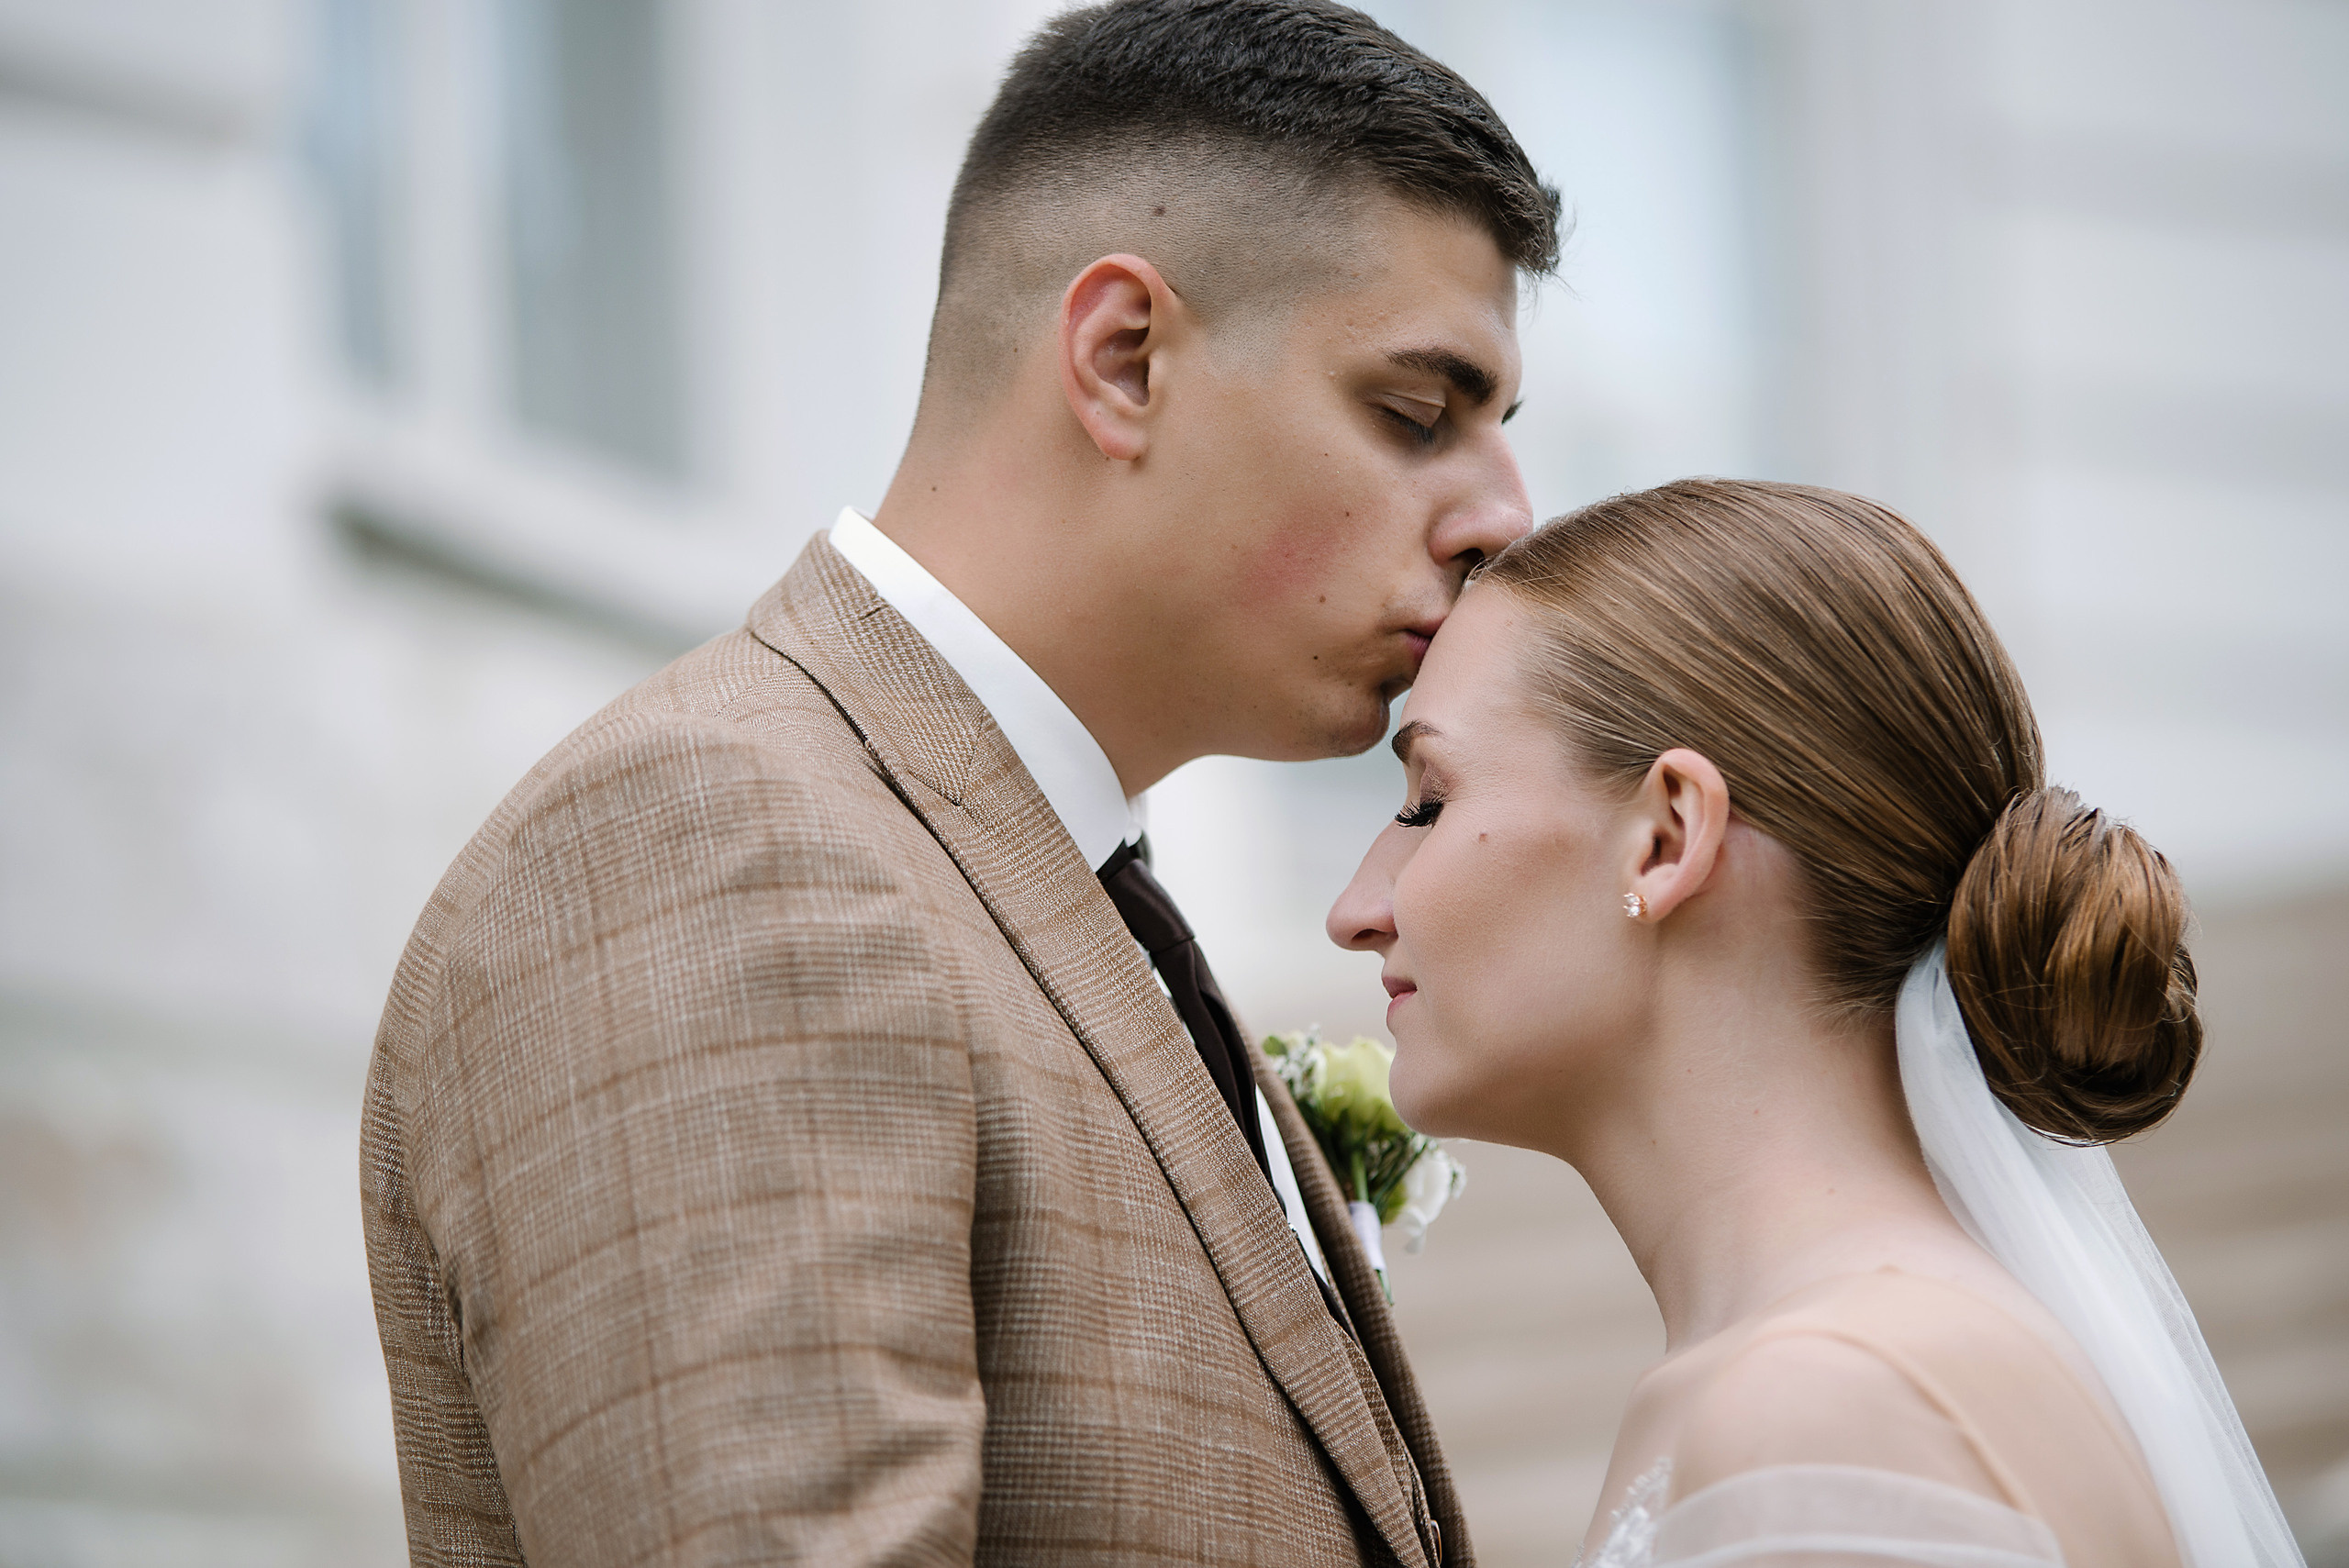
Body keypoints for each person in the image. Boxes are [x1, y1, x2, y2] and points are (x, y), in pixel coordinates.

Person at [361, 1, 1557, 1563]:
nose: (1505, 515)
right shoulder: (718, 841)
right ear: (1125, 358)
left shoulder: (1047, 884)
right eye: (1416, 410)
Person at [1329, 479, 2306, 1566]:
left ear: (1663, 839)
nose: (1356, 910)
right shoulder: (1829, 1368)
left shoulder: (1834, 1401)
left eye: (1427, 800)